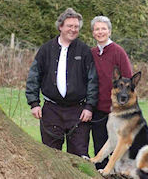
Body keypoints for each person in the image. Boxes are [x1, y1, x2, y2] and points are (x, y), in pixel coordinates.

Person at [25, 8, 98, 157]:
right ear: (60, 27)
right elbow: (34, 76)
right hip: (51, 110)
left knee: (78, 157)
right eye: (69, 26)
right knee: (51, 156)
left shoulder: (84, 51)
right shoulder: (46, 49)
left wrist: (89, 107)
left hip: (78, 112)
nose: (73, 29)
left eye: (76, 27)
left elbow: (93, 81)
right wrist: (34, 103)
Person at [91, 16, 133, 169]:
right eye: (97, 29)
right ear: (93, 32)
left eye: (103, 28)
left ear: (109, 31)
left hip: (117, 111)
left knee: (118, 154)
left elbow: (128, 82)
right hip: (97, 110)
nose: (100, 32)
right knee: (100, 153)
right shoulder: (92, 53)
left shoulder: (118, 52)